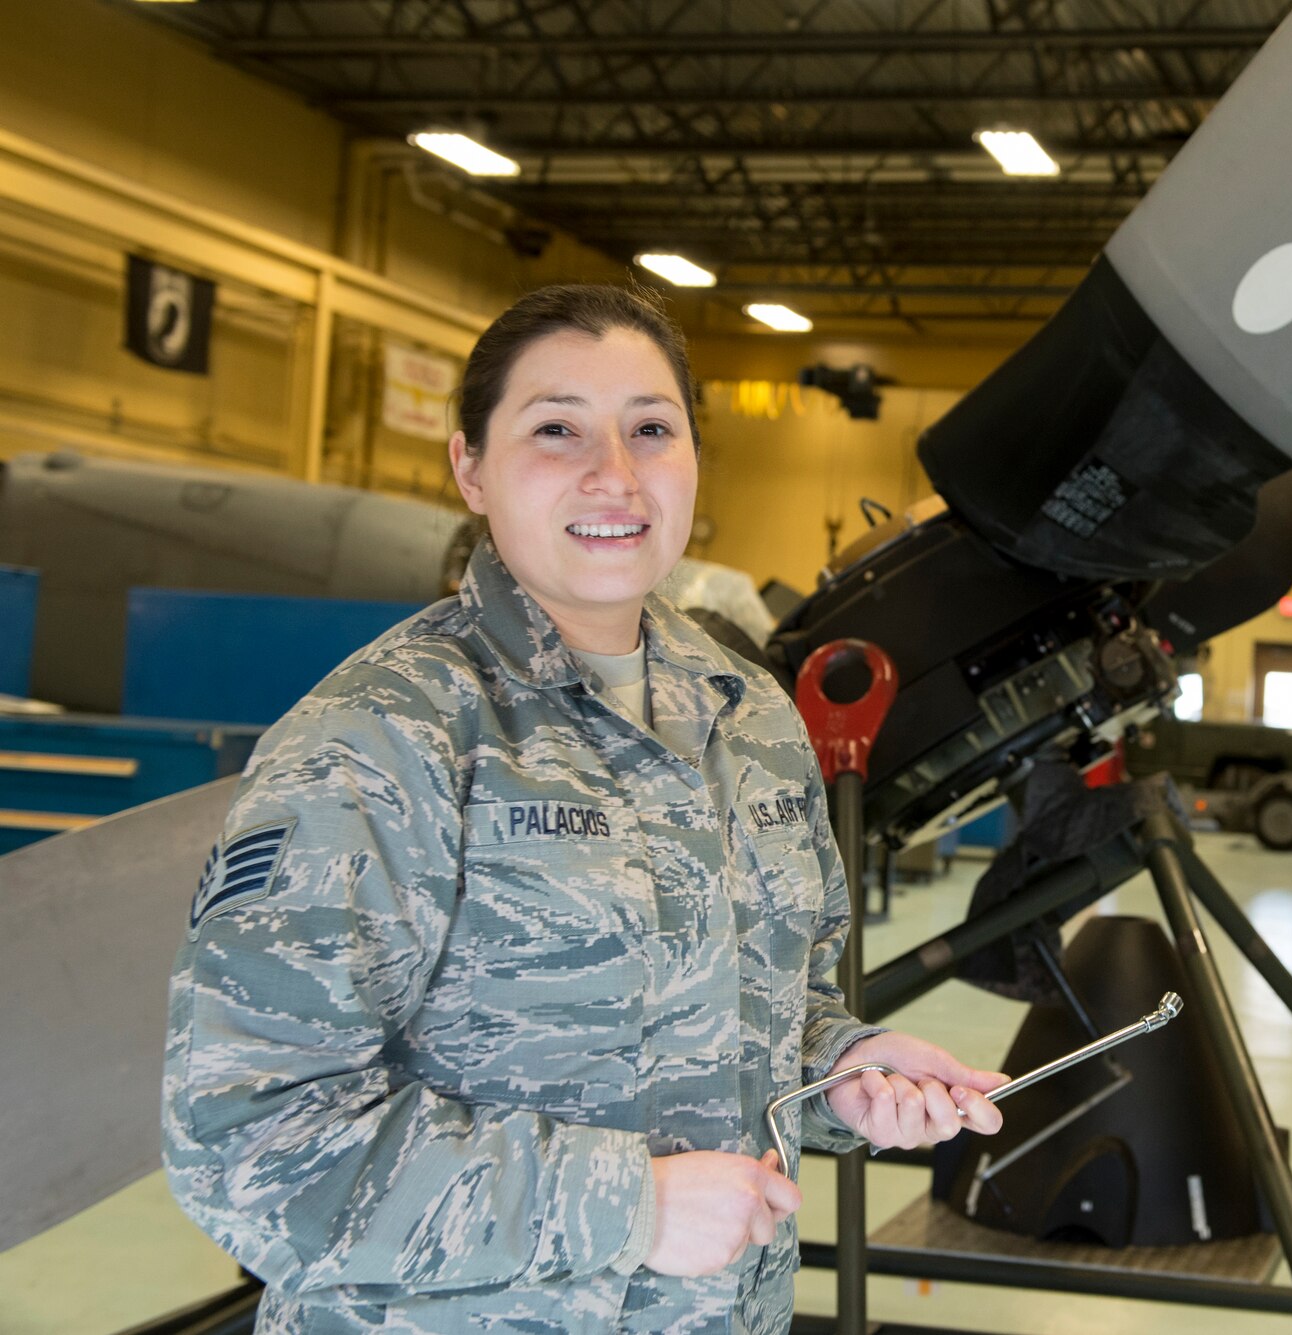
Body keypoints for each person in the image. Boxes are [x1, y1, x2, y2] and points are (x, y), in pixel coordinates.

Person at [161, 284, 1006, 1334]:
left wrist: (838, 1071)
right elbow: (247, 1144)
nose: (615, 473)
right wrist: (627, 1206)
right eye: (555, 429)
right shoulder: (380, 740)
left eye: (651, 428)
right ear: (469, 467)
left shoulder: (746, 716)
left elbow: (742, 1013)